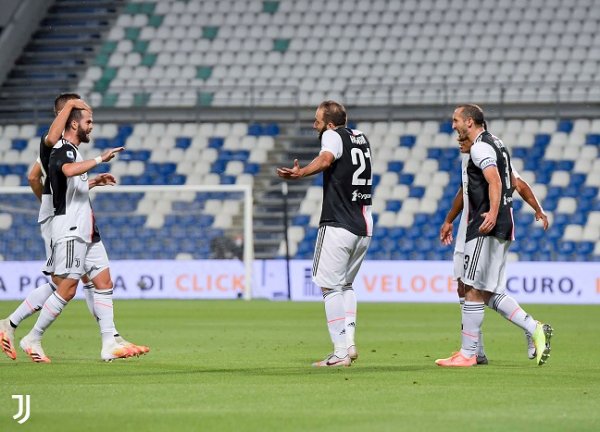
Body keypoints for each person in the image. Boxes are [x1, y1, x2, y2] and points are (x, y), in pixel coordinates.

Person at [0, 94, 148, 362]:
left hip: (80, 222)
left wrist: (90, 183)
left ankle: (109, 340)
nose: (92, 124)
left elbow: (60, 178)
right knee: (64, 285)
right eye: (87, 118)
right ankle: (25, 333)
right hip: (66, 224)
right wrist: (52, 203)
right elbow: (56, 172)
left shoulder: (69, 149)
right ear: (70, 119)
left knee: (98, 281)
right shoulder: (57, 146)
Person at [435, 104, 553, 367]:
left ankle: (472, 352)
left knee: (475, 290)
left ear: (468, 122)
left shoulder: (481, 148)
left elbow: (497, 182)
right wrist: (538, 210)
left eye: (456, 121)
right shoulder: (496, 146)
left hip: (484, 226)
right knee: (477, 289)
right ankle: (478, 350)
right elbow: (514, 182)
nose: (453, 127)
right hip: (491, 226)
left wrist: (491, 212)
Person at [277, 100, 373, 367]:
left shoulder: (332, 135)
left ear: (330, 124)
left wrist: (302, 172)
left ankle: (340, 352)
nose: (314, 126)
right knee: (347, 285)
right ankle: (350, 343)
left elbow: (327, 158)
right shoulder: (361, 138)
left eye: (317, 122)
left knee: (329, 286)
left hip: (338, 223)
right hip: (364, 225)